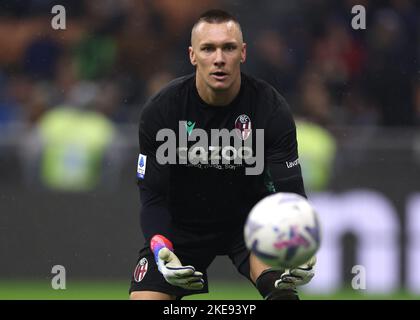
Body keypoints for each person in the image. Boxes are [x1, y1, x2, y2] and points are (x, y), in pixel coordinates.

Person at [129, 9, 315, 300]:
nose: (219, 58)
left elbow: (289, 192)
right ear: (193, 55)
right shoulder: (163, 110)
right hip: (182, 228)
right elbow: (152, 196)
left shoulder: (269, 108)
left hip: (251, 224)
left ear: (242, 53)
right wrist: (160, 245)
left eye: (228, 47)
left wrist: (302, 245)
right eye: (208, 48)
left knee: (282, 294)